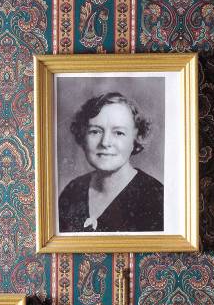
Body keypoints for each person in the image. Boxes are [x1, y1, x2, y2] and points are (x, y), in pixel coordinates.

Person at [58, 91, 164, 233]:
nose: (105, 142)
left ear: (136, 138)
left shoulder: (156, 198)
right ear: (83, 136)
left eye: (119, 133)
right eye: (95, 131)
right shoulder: (73, 190)